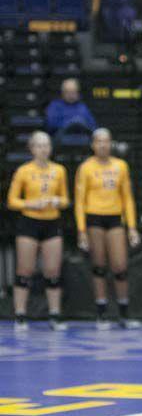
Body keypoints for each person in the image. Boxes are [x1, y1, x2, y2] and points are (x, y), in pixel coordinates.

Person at [75, 128, 141, 329]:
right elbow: (79, 200)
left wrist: (132, 227)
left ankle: (123, 312)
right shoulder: (85, 167)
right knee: (99, 266)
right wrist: (81, 230)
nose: (103, 145)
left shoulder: (121, 165)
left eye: (106, 141)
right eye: (99, 141)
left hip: (114, 218)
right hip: (94, 217)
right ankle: (101, 313)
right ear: (93, 144)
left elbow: (127, 198)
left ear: (110, 143)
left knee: (120, 266)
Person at [6, 131, 69, 331]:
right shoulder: (24, 171)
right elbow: (12, 201)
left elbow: (66, 199)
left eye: (47, 145)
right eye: (39, 145)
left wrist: (58, 201)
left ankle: (54, 314)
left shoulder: (59, 170)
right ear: (32, 148)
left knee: (53, 271)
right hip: (29, 222)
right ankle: (20, 314)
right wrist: (32, 204)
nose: (44, 149)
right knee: (25, 270)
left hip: (51, 222)